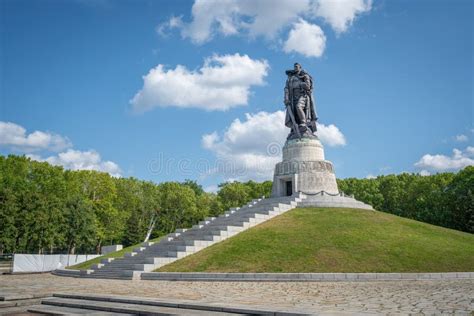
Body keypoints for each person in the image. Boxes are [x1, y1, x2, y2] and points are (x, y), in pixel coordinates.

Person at [284, 63, 318, 139]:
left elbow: (308, 86)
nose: (295, 68)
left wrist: (300, 84)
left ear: (300, 68)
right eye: (294, 67)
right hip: (292, 97)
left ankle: (303, 123)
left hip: (302, 95)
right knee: (294, 113)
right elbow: (286, 88)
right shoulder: (291, 78)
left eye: (297, 67)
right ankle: (295, 129)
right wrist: (286, 98)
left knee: (299, 107)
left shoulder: (304, 76)